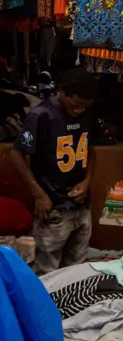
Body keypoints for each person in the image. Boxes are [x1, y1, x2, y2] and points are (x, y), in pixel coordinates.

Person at [11, 67, 98, 275]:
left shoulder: (87, 113)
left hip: (81, 205)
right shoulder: (40, 116)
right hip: (54, 208)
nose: (79, 111)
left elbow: (91, 150)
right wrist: (39, 195)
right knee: (48, 272)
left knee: (76, 271)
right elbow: (17, 154)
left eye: (84, 108)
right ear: (61, 91)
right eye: (75, 106)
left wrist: (87, 181)